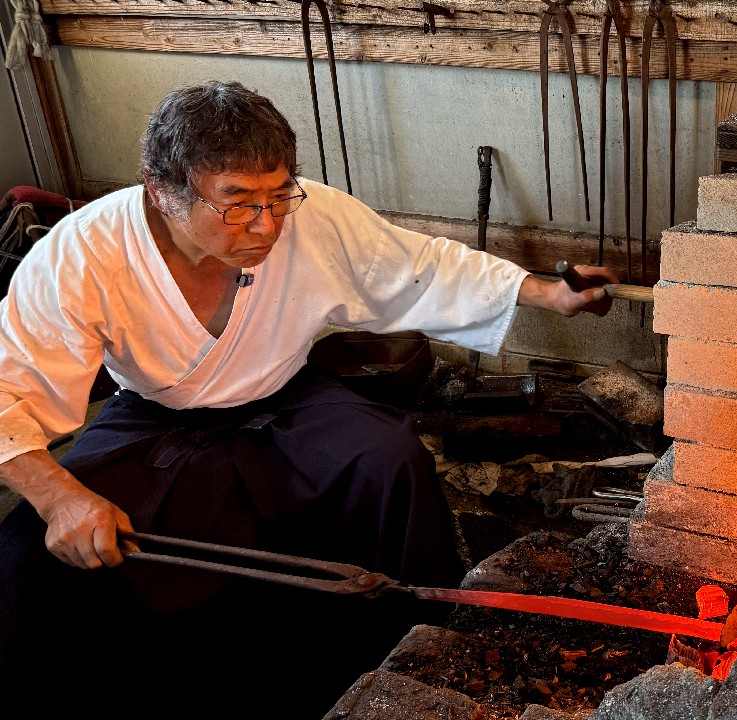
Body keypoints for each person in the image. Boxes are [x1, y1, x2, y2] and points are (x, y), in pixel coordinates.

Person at [0, 80, 619, 718]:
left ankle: (408, 659)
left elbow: (419, 266)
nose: (267, 225)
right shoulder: (82, 253)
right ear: (161, 189)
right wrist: (60, 497)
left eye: (278, 196)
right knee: (27, 558)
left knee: (389, 460)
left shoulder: (313, 215)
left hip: (286, 398)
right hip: (161, 419)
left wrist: (548, 293)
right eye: (237, 203)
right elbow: (4, 392)